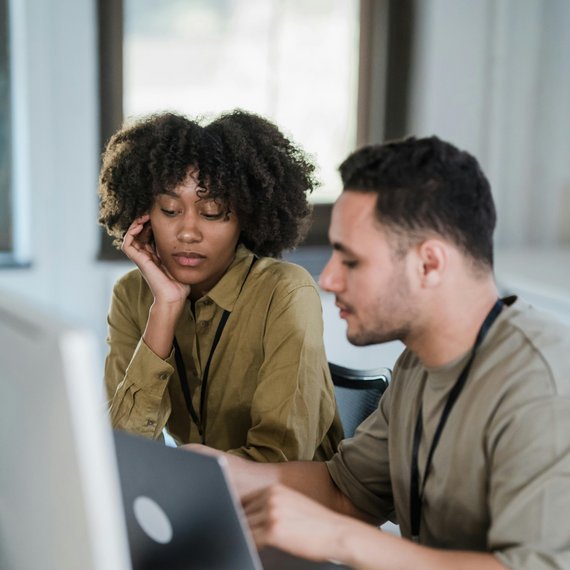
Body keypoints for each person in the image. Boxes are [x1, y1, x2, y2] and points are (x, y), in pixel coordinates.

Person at [186, 136, 570, 569]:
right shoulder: (418, 363)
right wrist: (219, 474)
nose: (327, 279)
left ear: (429, 264)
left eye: (351, 261)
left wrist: (336, 537)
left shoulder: (542, 385)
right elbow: (347, 493)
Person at [98, 110, 343, 462]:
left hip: (289, 504)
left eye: (212, 211)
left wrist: (190, 479)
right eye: (169, 209)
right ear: (144, 214)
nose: (187, 232)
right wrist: (164, 308)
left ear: (245, 215)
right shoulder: (131, 295)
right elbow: (124, 454)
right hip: (199, 500)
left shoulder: (285, 293)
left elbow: (280, 460)